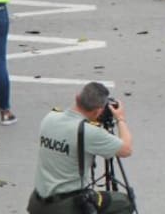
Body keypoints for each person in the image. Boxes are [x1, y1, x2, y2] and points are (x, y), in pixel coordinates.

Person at [27, 82, 134, 213]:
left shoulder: (50, 117)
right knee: (123, 202)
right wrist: (120, 119)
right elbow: (126, 150)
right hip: (64, 205)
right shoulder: (88, 132)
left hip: (37, 203)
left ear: (77, 98)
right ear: (98, 111)